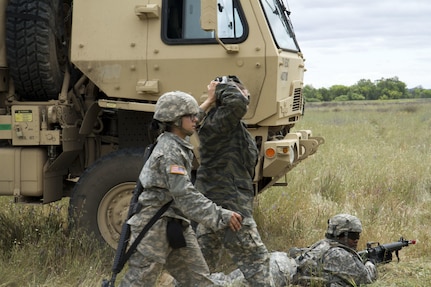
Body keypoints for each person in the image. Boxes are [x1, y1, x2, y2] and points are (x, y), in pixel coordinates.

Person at [119, 91, 243, 287]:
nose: (196, 119)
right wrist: (221, 216)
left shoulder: (175, 138)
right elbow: (185, 196)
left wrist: (210, 100)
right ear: (175, 120)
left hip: (175, 225)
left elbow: (192, 118)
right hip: (153, 228)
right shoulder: (169, 152)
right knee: (139, 283)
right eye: (190, 116)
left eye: (195, 115)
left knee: (200, 281)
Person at [195, 76, 274, 286]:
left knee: (199, 271)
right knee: (257, 263)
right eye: (241, 92)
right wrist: (219, 89)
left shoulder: (224, 124)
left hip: (214, 208)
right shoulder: (221, 122)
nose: (246, 97)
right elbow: (238, 102)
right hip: (231, 210)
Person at [291, 213, 378, 287]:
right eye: (353, 236)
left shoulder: (321, 244)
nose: (356, 240)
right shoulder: (339, 255)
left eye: (358, 235)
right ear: (340, 235)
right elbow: (366, 277)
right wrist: (371, 262)